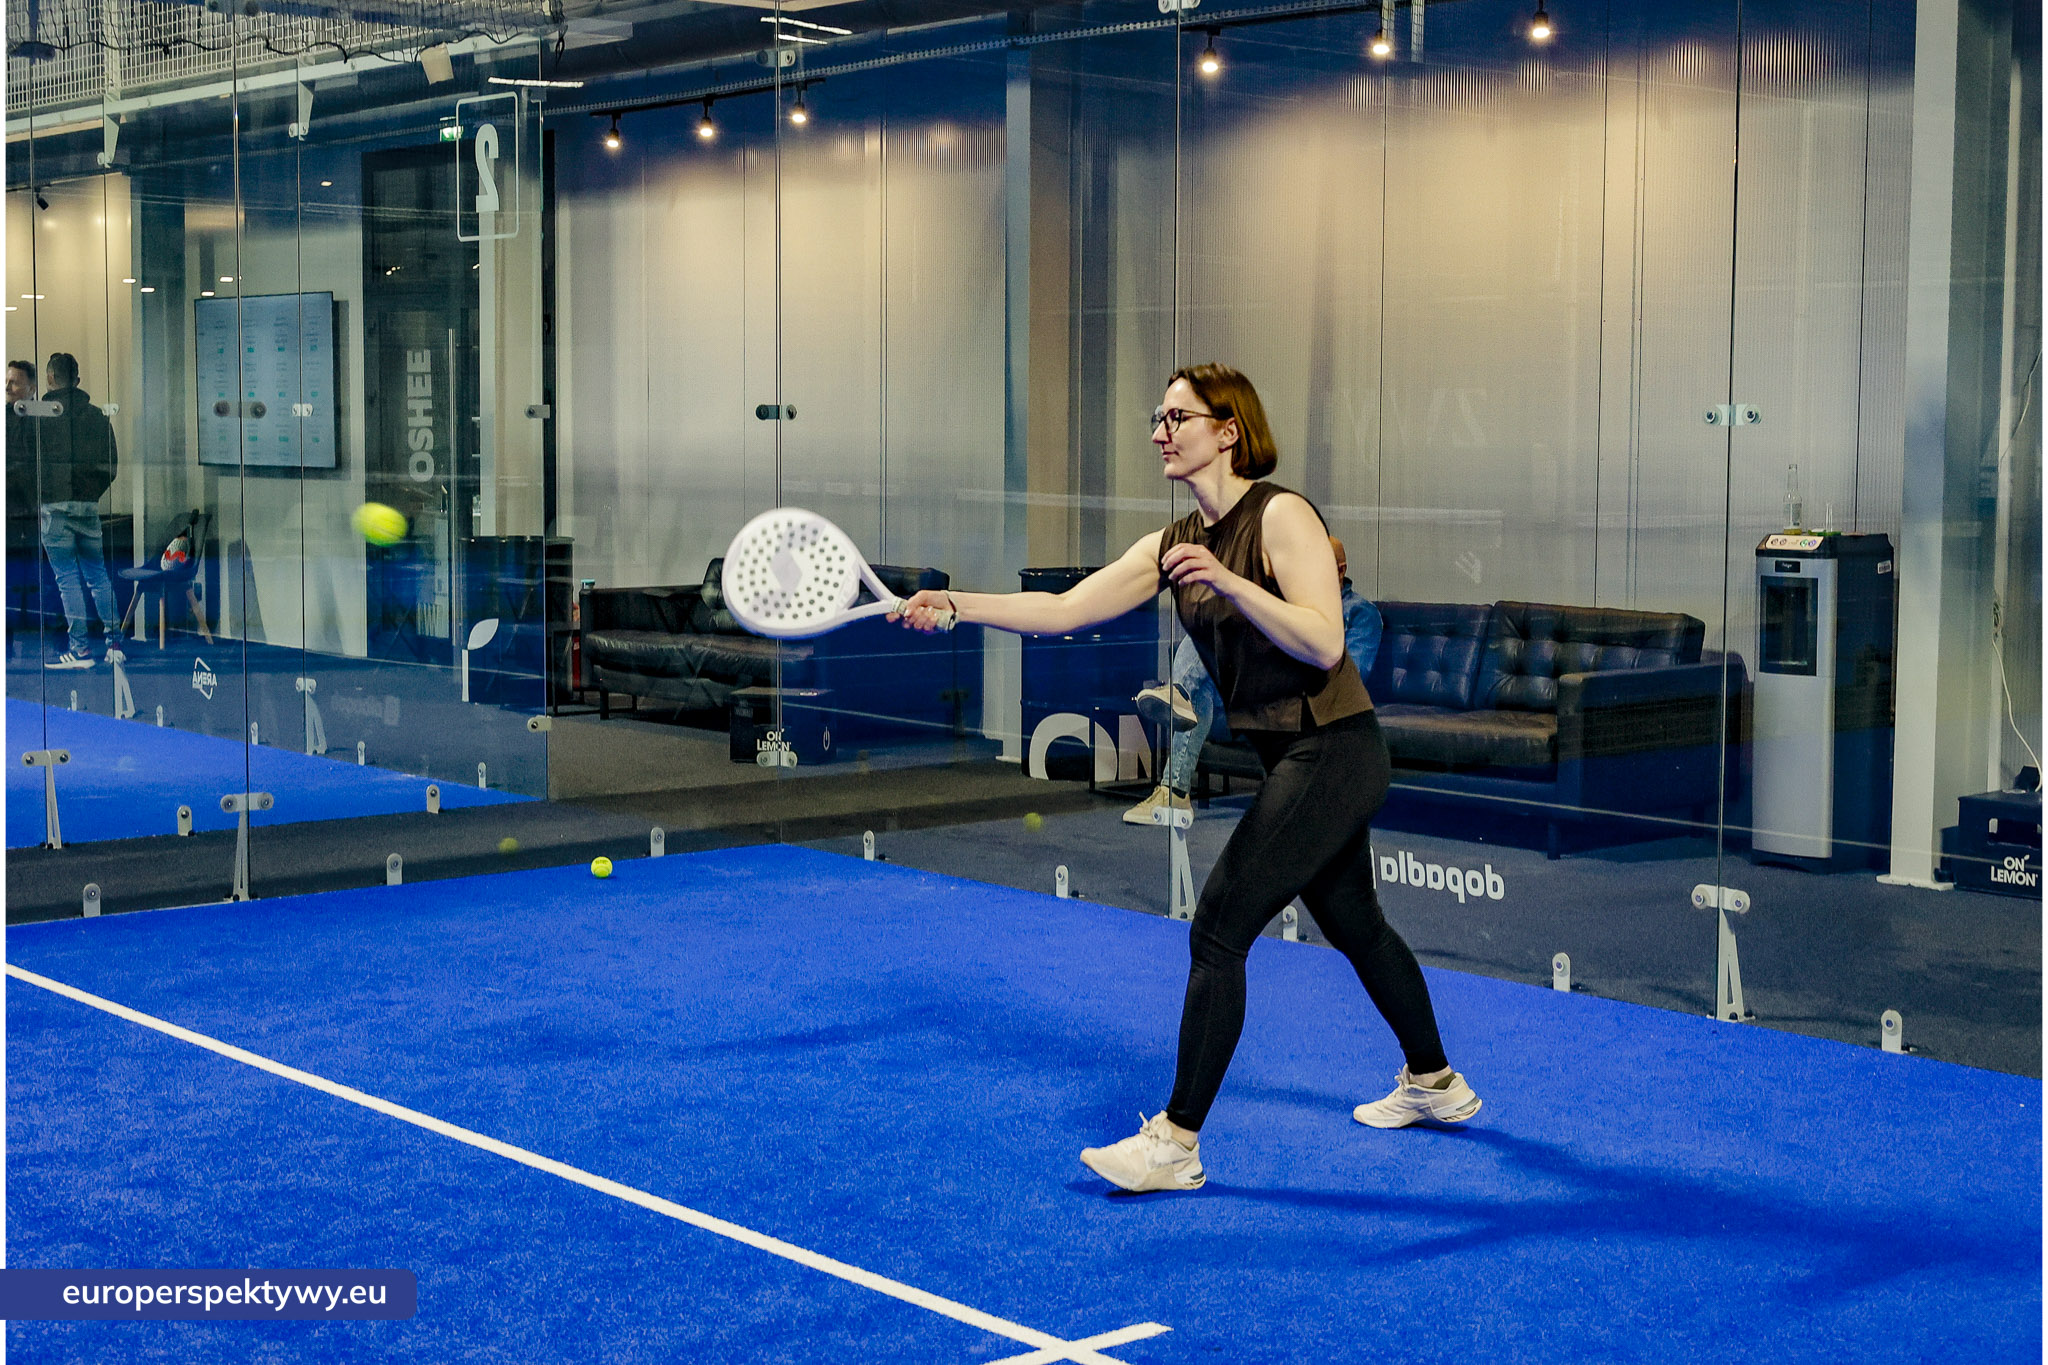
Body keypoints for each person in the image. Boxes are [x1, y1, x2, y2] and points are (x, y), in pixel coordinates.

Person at [894, 363, 1478, 1193]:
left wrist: (1231, 581)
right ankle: (1436, 1082)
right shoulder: (1170, 544)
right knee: (1357, 925)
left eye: (1179, 416)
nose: (1162, 431)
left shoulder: (1282, 515)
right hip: (1293, 756)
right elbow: (1065, 610)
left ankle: (1176, 1142)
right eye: (1157, 418)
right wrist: (957, 605)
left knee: (1217, 929)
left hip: (1336, 746)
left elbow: (1324, 643)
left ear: (1228, 428)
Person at [1125, 534, 1382, 825]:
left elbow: (1351, 675)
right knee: (1213, 631)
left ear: (1340, 570)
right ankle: (1179, 712)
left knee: (1203, 694)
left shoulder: (1360, 614)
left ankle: (1174, 787)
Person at [34, 352, 121, 669]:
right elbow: (110, 466)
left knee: (67, 578)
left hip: (54, 509)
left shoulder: (42, 416)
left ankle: (80, 649)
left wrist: (42, 497)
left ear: (50, 379)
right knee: (98, 575)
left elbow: (32, 465)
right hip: (87, 507)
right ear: (78, 380)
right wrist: (90, 494)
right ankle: (114, 643)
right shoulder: (97, 417)